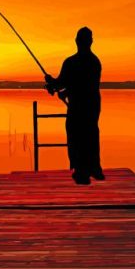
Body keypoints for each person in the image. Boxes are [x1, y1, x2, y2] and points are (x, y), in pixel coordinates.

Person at [44, 27, 104, 185]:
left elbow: (80, 85)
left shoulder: (74, 62)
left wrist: (58, 87)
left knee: (77, 135)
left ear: (77, 41)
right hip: (91, 104)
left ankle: (83, 171)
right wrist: (54, 84)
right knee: (89, 133)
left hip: (81, 105)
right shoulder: (94, 61)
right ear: (90, 41)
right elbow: (65, 83)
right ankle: (93, 168)